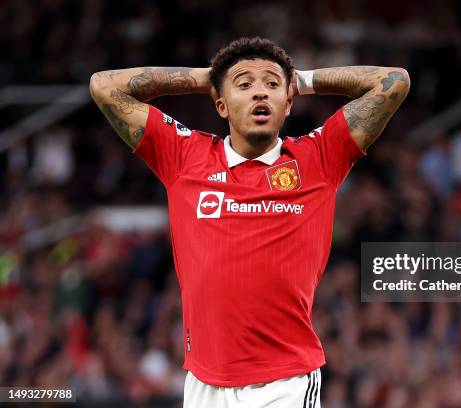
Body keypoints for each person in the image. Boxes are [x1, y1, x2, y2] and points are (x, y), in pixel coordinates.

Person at [89, 37, 409, 408]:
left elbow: (394, 81)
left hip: (284, 381)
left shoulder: (318, 157)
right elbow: (104, 85)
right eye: (245, 84)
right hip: (205, 382)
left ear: (288, 102)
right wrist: (207, 78)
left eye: (272, 85)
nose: (260, 93)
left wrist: (300, 79)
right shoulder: (183, 155)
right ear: (221, 104)